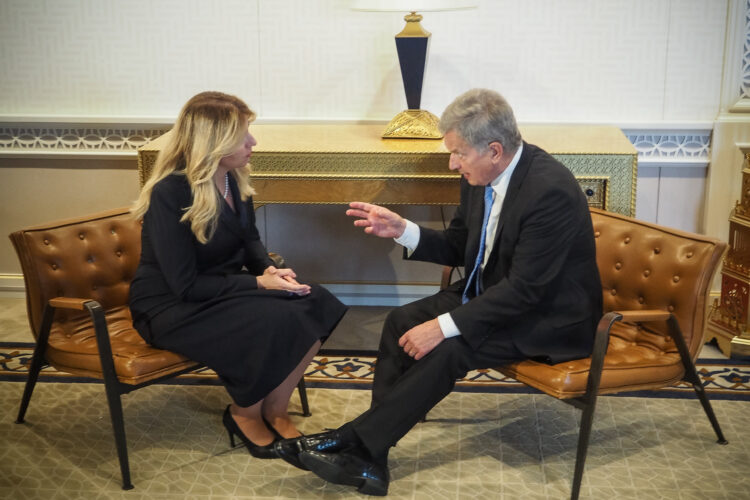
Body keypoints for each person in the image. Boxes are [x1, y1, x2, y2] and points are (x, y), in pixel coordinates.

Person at [273, 88, 602, 495]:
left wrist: (443, 326)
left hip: (549, 317)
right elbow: (461, 247)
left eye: (459, 153)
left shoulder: (549, 191)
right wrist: (404, 231)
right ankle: (371, 455)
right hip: (494, 295)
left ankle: (351, 440)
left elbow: (526, 291)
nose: (451, 163)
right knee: (399, 323)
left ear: (494, 150)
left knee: (449, 346)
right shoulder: (479, 176)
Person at [129, 91, 347, 458]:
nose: (253, 142)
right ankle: (244, 413)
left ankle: (275, 409)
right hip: (170, 305)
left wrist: (270, 269)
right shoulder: (170, 192)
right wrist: (259, 283)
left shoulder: (233, 180)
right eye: (243, 135)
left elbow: (251, 242)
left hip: (220, 290)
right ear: (213, 141)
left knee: (316, 301)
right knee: (270, 317)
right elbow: (184, 285)